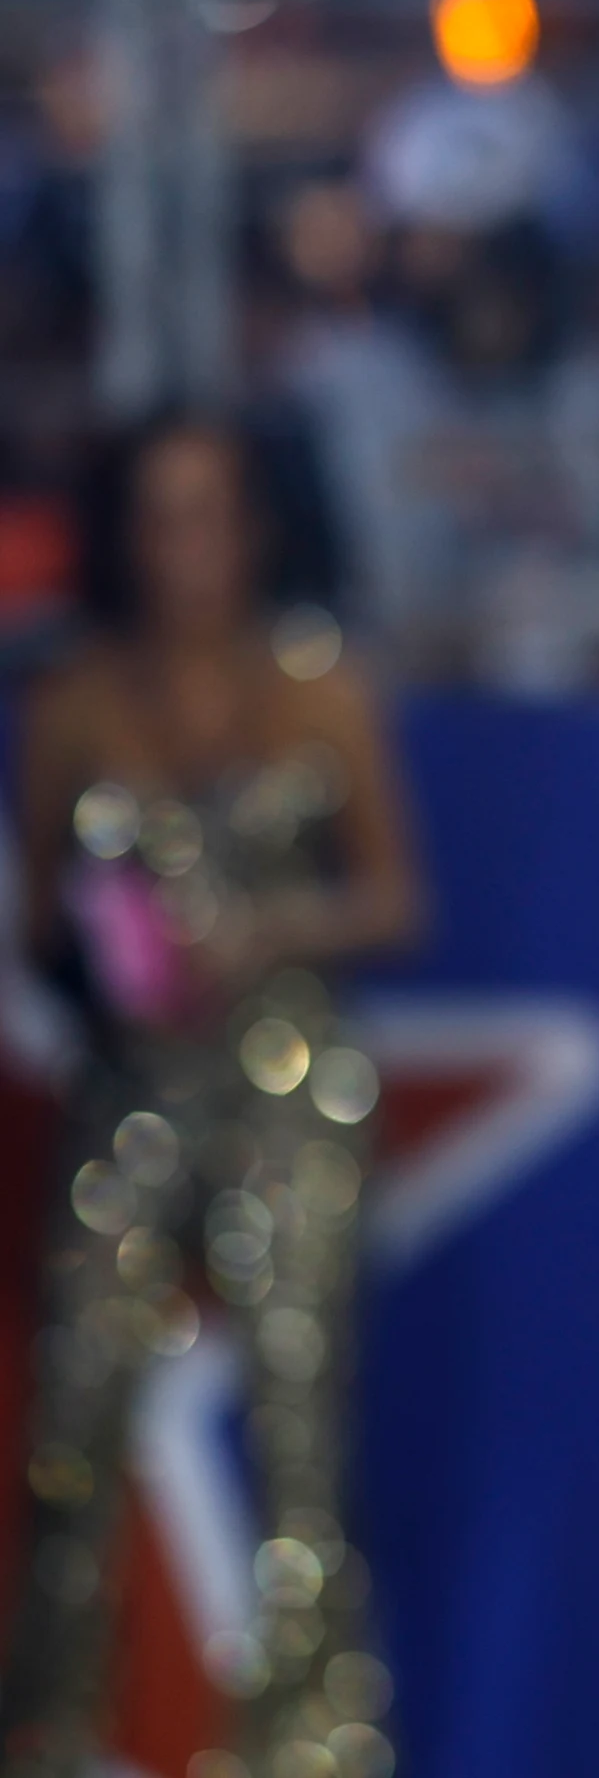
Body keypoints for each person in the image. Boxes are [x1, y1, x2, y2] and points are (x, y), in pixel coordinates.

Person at [1, 416, 420, 1778]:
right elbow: (39, 931)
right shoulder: (71, 702)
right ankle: (53, 1727)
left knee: (303, 1422)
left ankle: (312, 1743)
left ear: (258, 527)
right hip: (131, 1086)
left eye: (215, 514)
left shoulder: (322, 689)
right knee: (72, 1418)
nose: (191, 548)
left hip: (290, 1078)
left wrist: (270, 928)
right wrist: (110, 943)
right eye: (163, 517)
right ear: (123, 535)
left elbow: (400, 897)